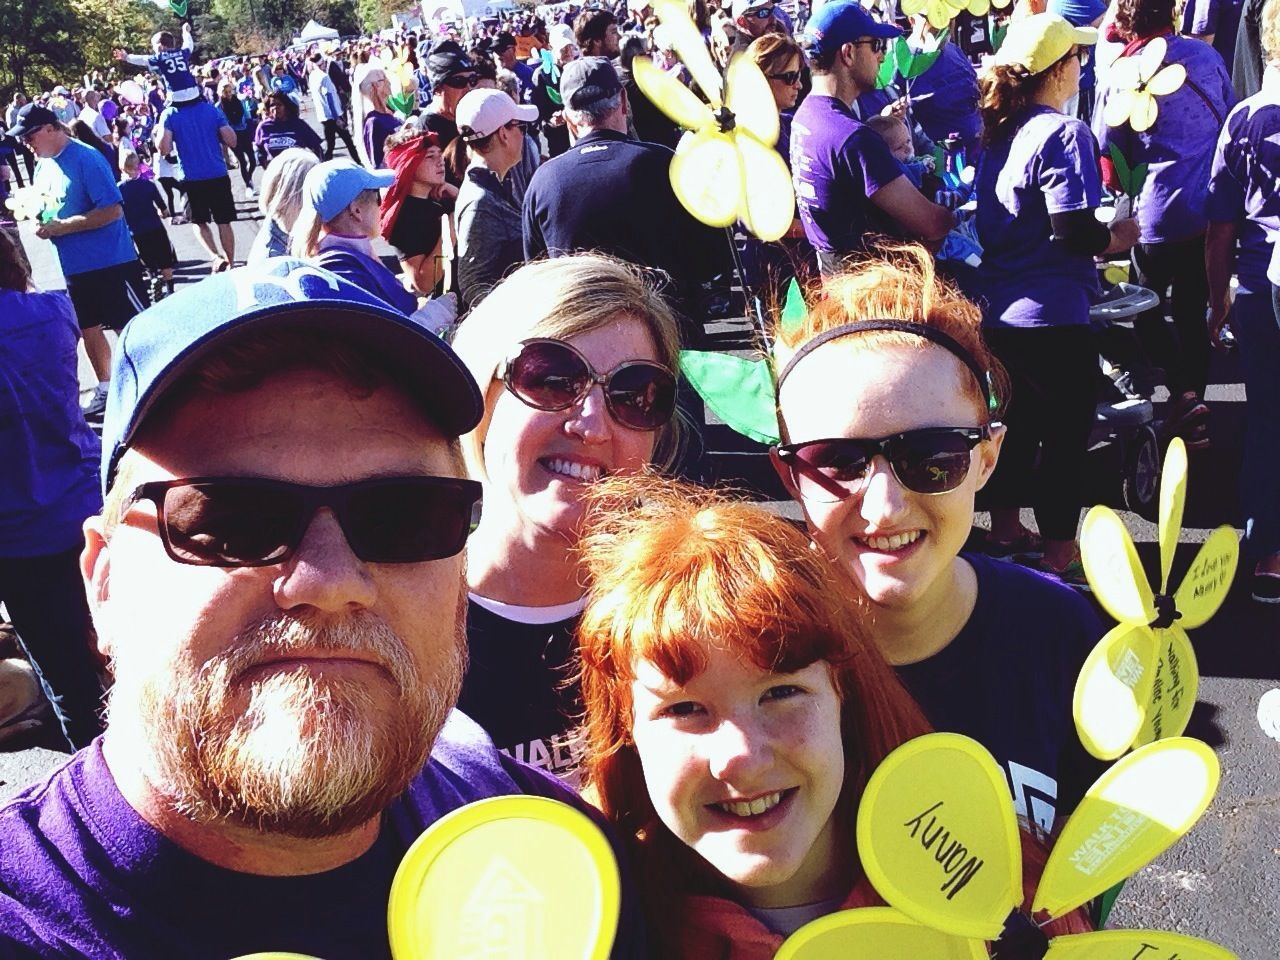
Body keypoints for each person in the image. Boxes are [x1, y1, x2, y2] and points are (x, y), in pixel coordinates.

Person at [0, 257, 649, 958]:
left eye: (404, 518)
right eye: (233, 521)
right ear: (103, 582)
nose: (329, 579)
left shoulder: (559, 875)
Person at [576, 472, 1093, 955]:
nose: (743, 759)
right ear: (628, 732)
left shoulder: (1006, 902)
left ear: (845, 695)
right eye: (685, 709)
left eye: (781, 694)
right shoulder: (578, 924)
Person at [771, 246, 1107, 833]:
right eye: (836, 460)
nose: (885, 506)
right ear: (791, 478)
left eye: (932, 456)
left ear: (987, 458)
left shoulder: (1061, 633)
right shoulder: (756, 653)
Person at [449, 254, 682, 782]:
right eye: (553, 379)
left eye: (634, 394)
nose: (593, 424)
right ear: (484, 396)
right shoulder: (404, 625)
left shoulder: (676, 612)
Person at [975, 13, 1139, 581]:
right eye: (1076, 57)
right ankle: (1058, 554)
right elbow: (1072, 230)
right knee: (1064, 440)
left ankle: (1004, 530)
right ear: (1057, 70)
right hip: (1053, 314)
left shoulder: (999, 131)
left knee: (1012, 431)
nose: (1082, 66)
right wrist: (1119, 236)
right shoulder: (1064, 134)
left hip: (999, 311)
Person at [1094, 0, 1236, 449]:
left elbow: (1106, 149)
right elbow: (1228, 115)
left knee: (1151, 310)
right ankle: (1194, 400)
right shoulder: (1206, 56)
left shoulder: (1124, 71)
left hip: (1154, 213)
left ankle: (1182, 394)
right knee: (1192, 310)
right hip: (1208, 210)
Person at [522, 57, 725, 328]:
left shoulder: (544, 182)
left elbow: (537, 277)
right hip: (667, 336)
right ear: (624, 102)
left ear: (569, 118)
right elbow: (713, 259)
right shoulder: (666, 164)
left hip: (584, 343)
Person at [0, 229, 105, 750]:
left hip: (18, 537)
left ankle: (97, 784)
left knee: (65, 677)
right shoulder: (55, 313)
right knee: (116, 644)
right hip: (83, 503)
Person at [1206, 0, 1280, 602]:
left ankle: (1266, 552)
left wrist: (1217, 298)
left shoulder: (1243, 119)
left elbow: (1221, 226)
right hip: (1260, 287)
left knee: (1268, 416)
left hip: (1257, 290)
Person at [791, 1, 954, 276]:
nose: (882, 56)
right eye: (877, 45)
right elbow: (932, 224)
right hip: (870, 293)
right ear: (848, 53)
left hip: (835, 282)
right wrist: (967, 213)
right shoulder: (852, 137)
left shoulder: (805, 116)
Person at [8, 103, 148, 420]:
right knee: (88, 329)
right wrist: (39, 222)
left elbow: (112, 210)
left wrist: (64, 226)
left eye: (30, 135)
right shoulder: (42, 164)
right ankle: (106, 388)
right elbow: (46, 207)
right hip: (74, 266)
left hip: (111, 261)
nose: (26, 143)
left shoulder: (86, 158)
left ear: (50, 129)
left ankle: (154, 381)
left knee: (131, 326)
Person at [454, 88, 538, 312]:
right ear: (503, 134)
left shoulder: (495, 183)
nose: (524, 135)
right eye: (521, 127)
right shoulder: (479, 203)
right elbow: (472, 287)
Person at [157, 94, 238, 271]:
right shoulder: (211, 110)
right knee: (224, 222)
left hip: (191, 177)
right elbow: (232, 140)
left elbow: (164, 149)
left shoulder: (170, 114)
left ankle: (216, 257)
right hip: (217, 173)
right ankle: (231, 263)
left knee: (198, 222)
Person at [380, 119, 454, 296]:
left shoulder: (442, 198)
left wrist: (458, 195)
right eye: (430, 156)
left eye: (439, 153)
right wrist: (449, 231)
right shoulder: (404, 217)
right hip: (446, 308)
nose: (440, 161)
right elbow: (424, 283)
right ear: (408, 165)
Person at [118, 152, 177, 297]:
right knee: (165, 260)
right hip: (155, 227)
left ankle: (154, 280)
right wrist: (161, 212)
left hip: (136, 231)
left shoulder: (119, 189)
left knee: (148, 261)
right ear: (137, 165)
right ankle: (170, 290)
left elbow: (119, 213)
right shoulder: (148, 185)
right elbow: (164, 210)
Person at [115, 24, 200, 105]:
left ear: (160, 46)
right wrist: (185, 32)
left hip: (176, 95)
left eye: (153, 46)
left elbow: (142, 59)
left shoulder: (159, 57)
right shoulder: (182, 53)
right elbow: (189, 45)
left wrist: (126, 57)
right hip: (194, 92)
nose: (153, 48)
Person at [531, 35, 580, 158]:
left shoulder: (580, 70)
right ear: (551, 48)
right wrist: (550, 122)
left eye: (570, 47)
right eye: (563, 49)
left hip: (581, 134)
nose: (568, 52)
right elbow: (538, 112)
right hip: (558, 139)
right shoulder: (541, 75)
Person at [309, 53, 361, 163]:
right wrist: (337, 118)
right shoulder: (324, 77)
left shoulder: (312, 76)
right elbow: (329, 98)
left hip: (323, 116)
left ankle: (325, 162)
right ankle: (359, 163)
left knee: (330, 144)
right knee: (348, 142)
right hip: (333, 115)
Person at [254, 91, 324, 165]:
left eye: (279, 104)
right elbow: (260, 152)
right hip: (276, 172)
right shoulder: (263, 127)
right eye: (272, 105)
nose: (275, 107)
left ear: (287, 107)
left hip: (298, 170)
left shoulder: (299, 124)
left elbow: (317, 149)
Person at [218, 78, 257, 197]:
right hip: (233, 134)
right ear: (222, 93)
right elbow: (222, 121)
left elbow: (246, 114)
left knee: (253, 160)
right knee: (242, 161)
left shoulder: (238, 101)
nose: (229, 94)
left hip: (243, 131)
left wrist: (250, 122)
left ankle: (249, 178)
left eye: (230, 91)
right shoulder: (219, 106)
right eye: (226, 92)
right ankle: (248, 185)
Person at [361, 67, 400, 168]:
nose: (388, 83)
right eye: (383, 79)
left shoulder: (391, 113)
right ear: (374, 87)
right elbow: (376, 162)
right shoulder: (373, 121)